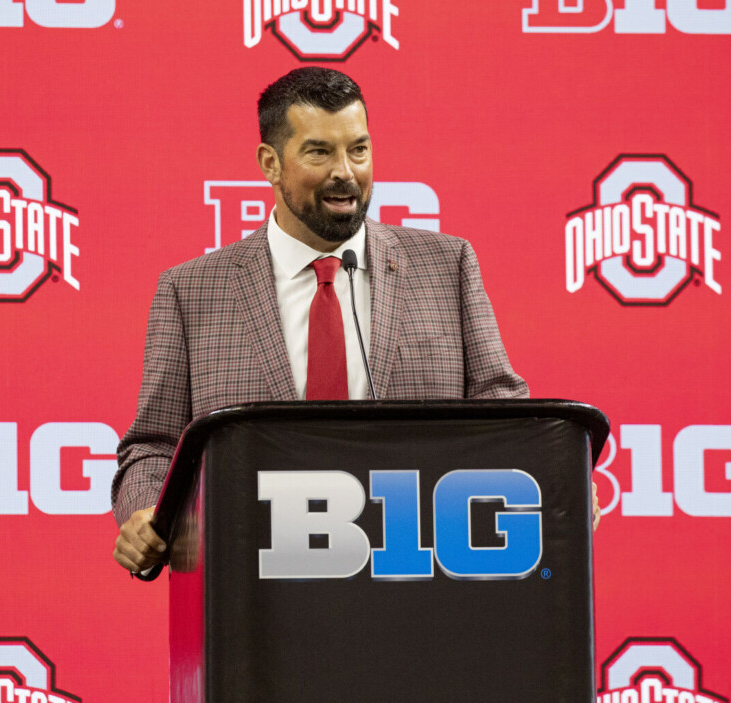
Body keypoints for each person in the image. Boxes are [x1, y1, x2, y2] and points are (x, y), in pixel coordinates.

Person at [111, 67, 597, 574]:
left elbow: (503, 412)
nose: (346, 171)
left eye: (358, 150)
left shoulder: (446, 265)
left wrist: (556, 477)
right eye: (319, 152)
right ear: (270, 164)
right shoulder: (191, 290)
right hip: (255, 585)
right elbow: (153, 445)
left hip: (421, 580)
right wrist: (147, 513)